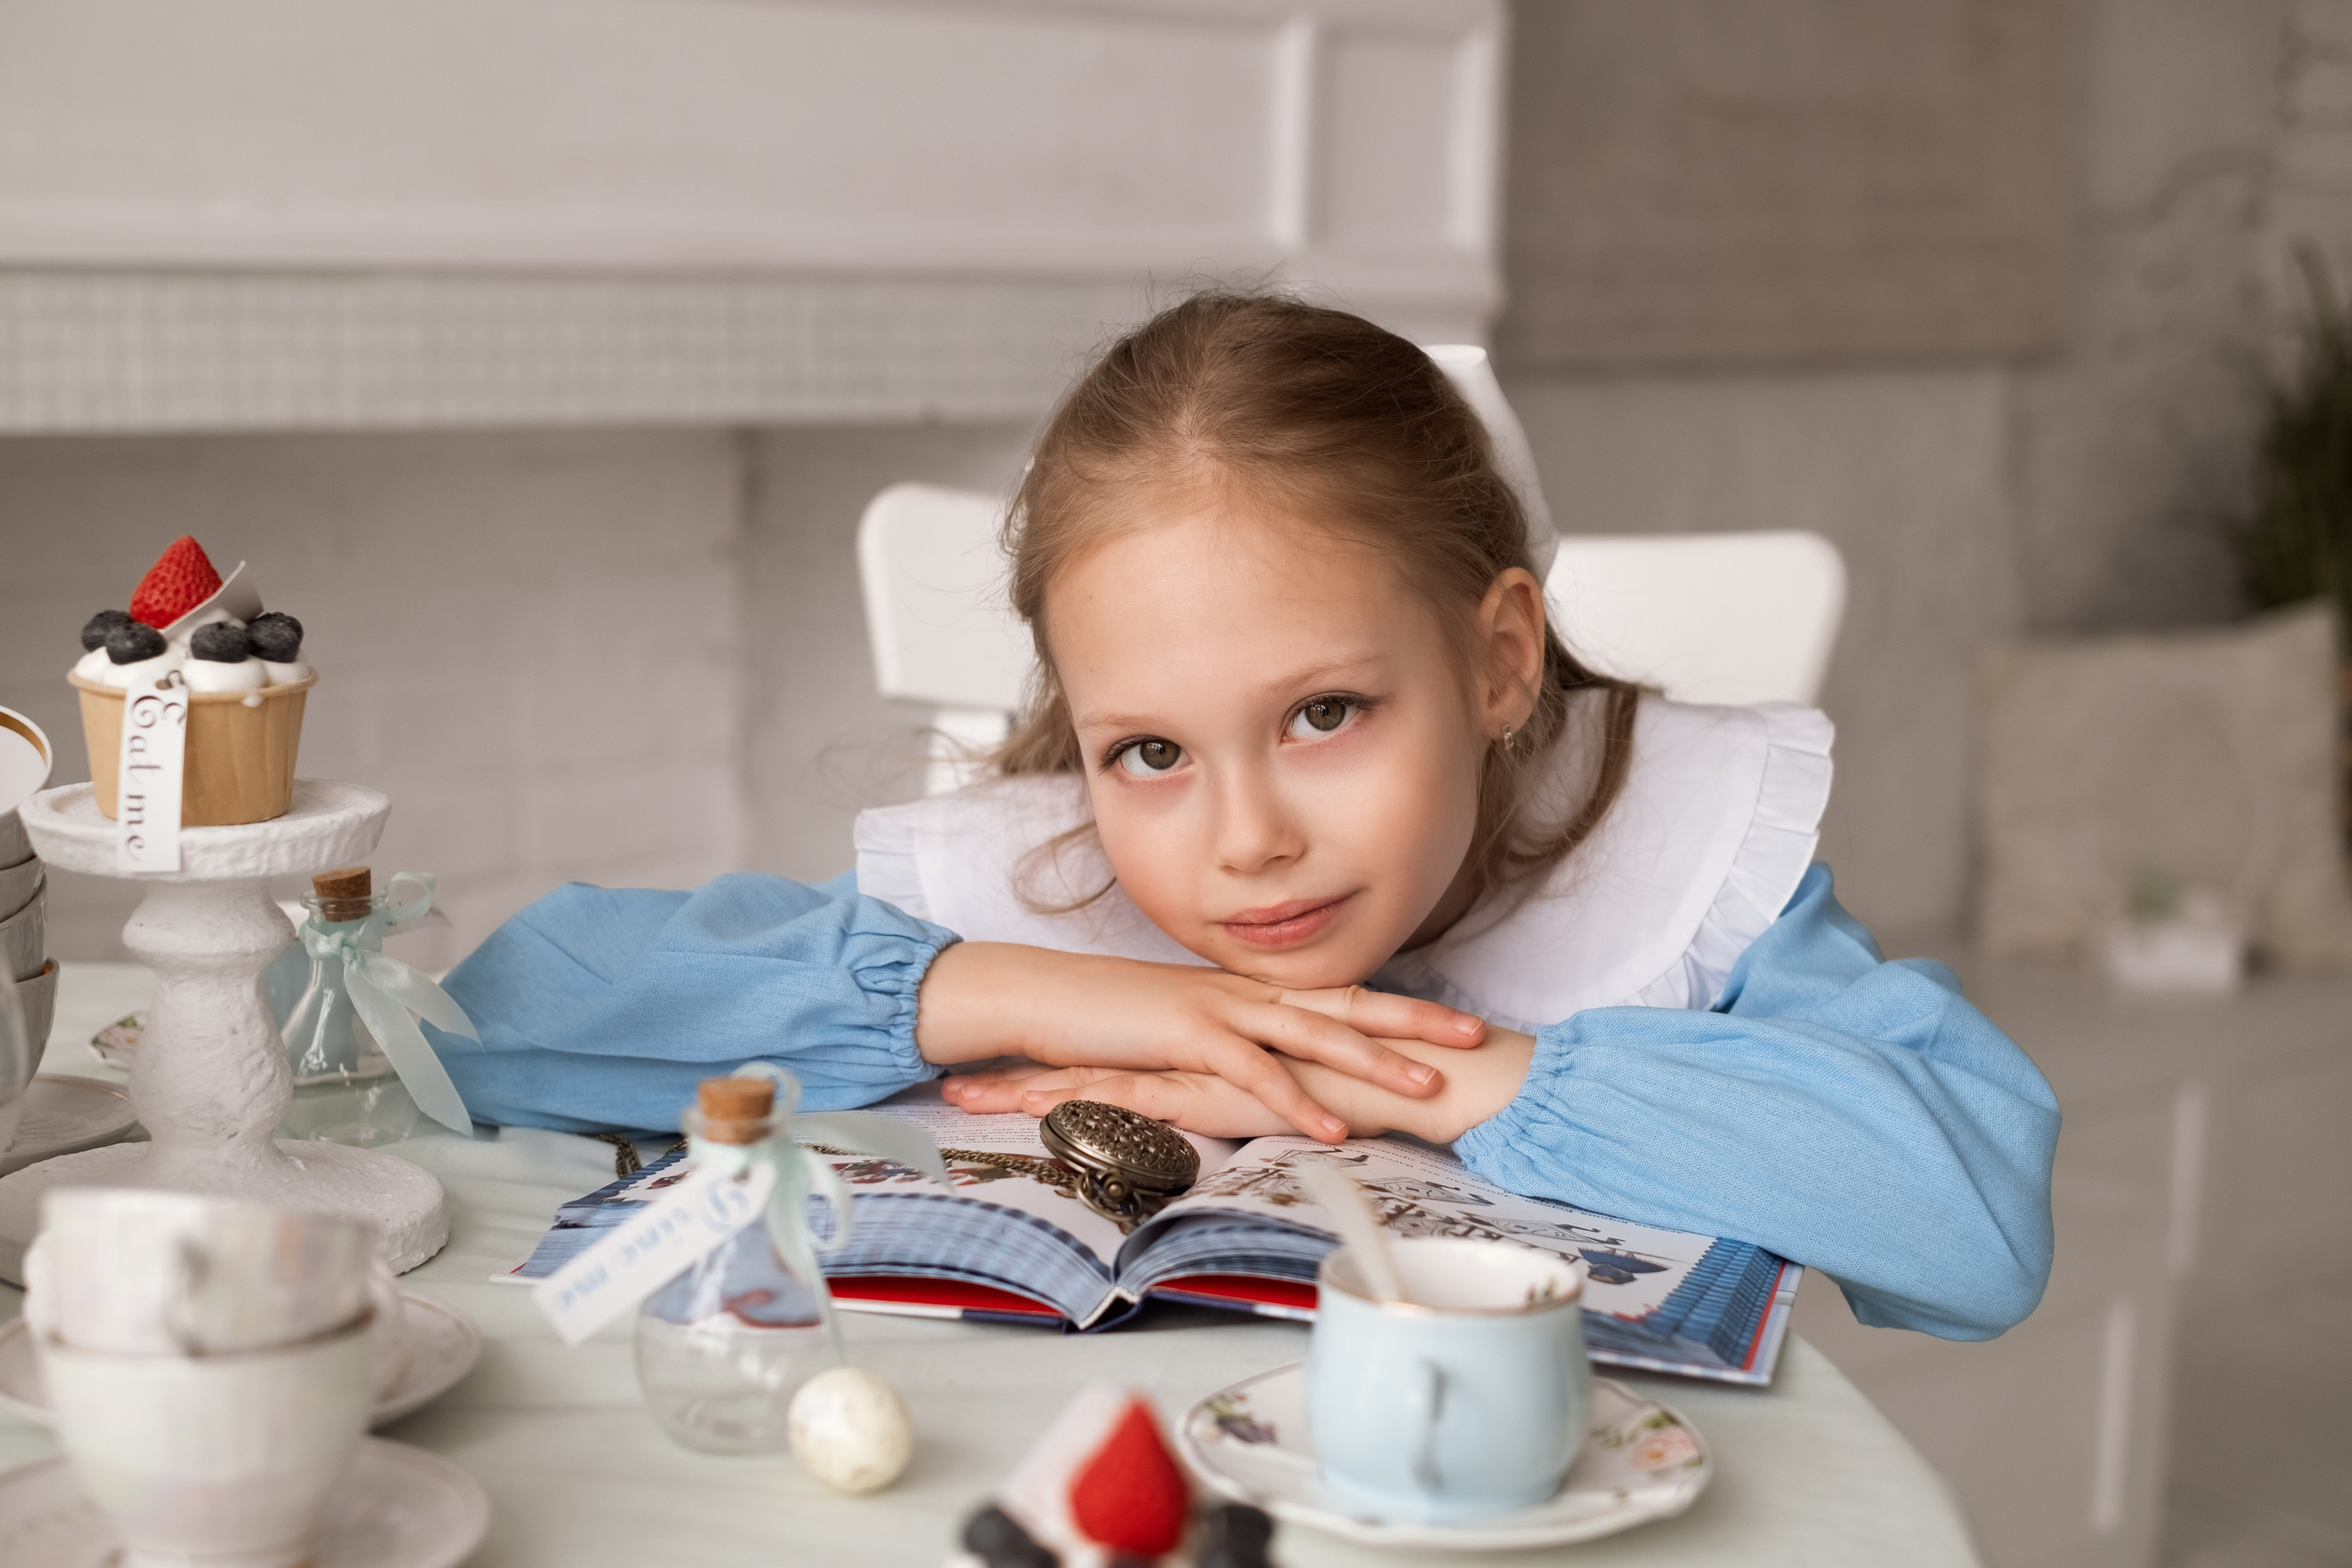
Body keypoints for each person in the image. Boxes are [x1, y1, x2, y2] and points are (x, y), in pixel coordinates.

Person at [429, 294, 2058, 1341]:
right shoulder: (1051, 884)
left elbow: (1976, 1229)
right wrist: (1065, 992)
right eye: (1148, 751)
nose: (1244, 840)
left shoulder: (1676, 868)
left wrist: (1446, 1069)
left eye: (1325, 715)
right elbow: (492, 1025)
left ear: (1497, 660)